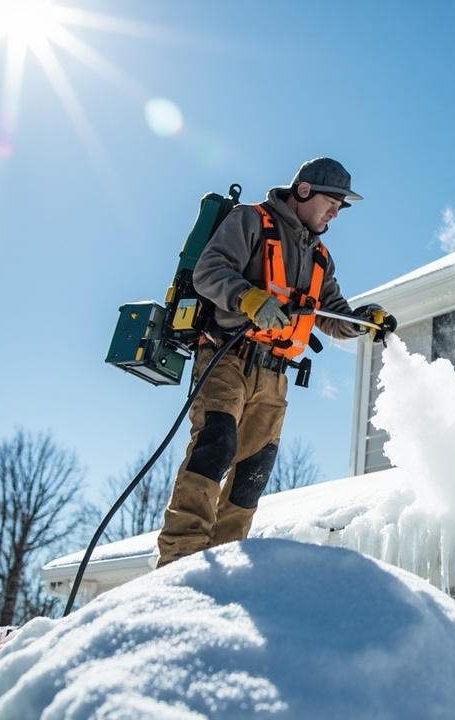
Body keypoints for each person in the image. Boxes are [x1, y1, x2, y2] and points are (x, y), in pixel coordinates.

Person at [156, 157, 395, 567]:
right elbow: (209, 272)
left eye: (341, 206)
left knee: (253, 471)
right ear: (304, 191)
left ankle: (224, 558)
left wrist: (360, 322)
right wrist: (247, 297)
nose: (337, 212)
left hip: (276, 376)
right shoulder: (252, 221)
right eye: (332, 201)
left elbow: (330, 314)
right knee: (216, 446)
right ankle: (179, 559)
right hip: (227, 357)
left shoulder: (321, 258)